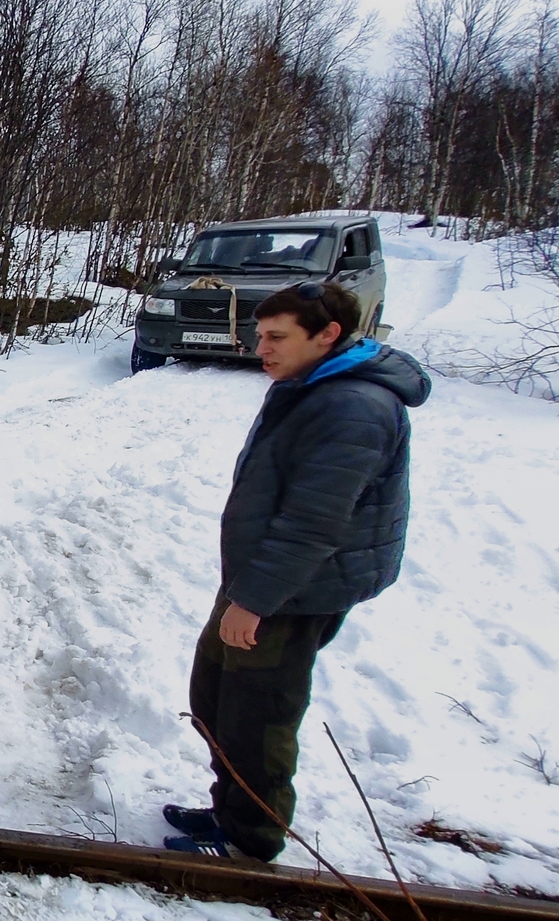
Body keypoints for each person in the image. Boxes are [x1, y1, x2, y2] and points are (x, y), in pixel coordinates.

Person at [165, 281, 430, 860]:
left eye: (277, 336)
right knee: (214, 697)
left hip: (292, 592)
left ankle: (251, 842)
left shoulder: (352, 407)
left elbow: (314, 523)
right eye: (261, 334)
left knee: (257, 718)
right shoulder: (314, 383)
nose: (262, 348)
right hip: (263, 580)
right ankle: (231, 810)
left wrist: (255, 599)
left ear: (328, 334)